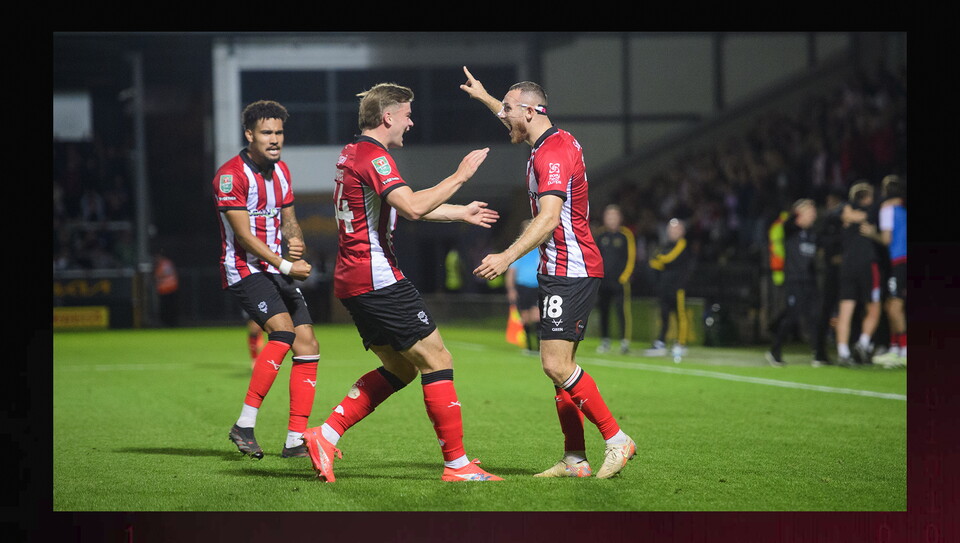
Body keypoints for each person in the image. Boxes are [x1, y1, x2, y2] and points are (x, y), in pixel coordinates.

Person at [301, 82, 503, 483]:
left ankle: (324, 434)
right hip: (377, 278)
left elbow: (400, 207)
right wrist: (460, 176)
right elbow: (410, 206)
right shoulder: (374, 158)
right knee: (438, 360)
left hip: (354, 279)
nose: (411, 123)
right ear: (388, 117)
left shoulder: (353, 152)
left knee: (400, 368)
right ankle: (457, 464)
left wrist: (457, 212)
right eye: (407, 115)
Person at [461, 66, 636, 480]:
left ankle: (617, 439)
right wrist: (486, 96)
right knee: (561, 374)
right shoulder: (546, 142)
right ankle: (575, 458)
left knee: (556, 366)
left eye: (507, 110)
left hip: (571, 269)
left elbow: (549, 218)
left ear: (531, 111)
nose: (502, 117)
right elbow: (511, 114)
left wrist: (505, 256)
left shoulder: (553, 152)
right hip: (561, 267)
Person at [214, 100, 320, 460]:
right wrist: (288, 267)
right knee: (284, 332)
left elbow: (288, 217)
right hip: (246, 270)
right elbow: (243, 236)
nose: (275, 140)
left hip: (276, 267)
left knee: (307, 344)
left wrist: (296, 240)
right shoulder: (231, 175)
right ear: (249, 135)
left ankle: (294, 440)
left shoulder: (282, 171)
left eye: (279, 132)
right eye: (266, 133)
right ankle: (244, 424)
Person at [764, 199, 828, 366]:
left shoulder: (813, 233)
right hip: (794, 279)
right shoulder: (790, 229)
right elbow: (788, 219)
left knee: (815, 316)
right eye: (809, 213)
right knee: (791, 316)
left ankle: (819, 354)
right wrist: (799, 210)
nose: (813, 216)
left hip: (810, 280)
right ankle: (775, 351)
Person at [835, 181, 881, 366]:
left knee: (845, 310)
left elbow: (844, 214)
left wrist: (849, 214)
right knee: (874, 307)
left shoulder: (844, 213)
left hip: (847, 266)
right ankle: (862, 344)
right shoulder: (873, 214)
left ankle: (843, 352)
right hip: (867, 265)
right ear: (869, 197)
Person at [644, 218, 695, 361]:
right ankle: (661, 341)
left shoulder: (682, 244)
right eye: (671, 229)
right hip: (664, 286)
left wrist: (658, 259)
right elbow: (653, 264)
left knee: (680, 315)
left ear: (682, 231)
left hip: (678, 287)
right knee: (664, 315)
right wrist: (657, 261)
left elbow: (668, 259)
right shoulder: (665, 245)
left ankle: (681, 343)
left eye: (677, 229)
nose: (673, 231)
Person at [872, 175, 907, 368]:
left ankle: (904, 350)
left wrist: (871, 233)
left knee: (894, 307)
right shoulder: (904, 207)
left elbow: (886, 239)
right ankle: (895, 349)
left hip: (900, 260)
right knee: (890, 305)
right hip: (902, 261)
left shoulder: (887, 208)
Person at [595, 204, 636, 355]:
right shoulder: (600, 235)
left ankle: (625, 341)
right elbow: (594, 257)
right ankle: (605, 340)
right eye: (608, 216)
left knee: (622, 311)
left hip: (620, 282)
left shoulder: (626, 235)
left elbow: (631, 258)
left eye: (614, 216)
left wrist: (625, 276)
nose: (611, 219)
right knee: (604, 311)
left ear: (620, 218)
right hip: (603, 281)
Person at [505, 219, 541, 354]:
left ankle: (539, 347)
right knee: (525, 317)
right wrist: (511, 289)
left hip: (537, 287)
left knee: (537, 316)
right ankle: (529, 346)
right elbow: (511, 271)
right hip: (523, 287)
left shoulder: (542, 248)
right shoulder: (518, 249)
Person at [153, 249, 180, 327]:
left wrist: (158, 278)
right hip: (163, 290)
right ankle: (166, 323)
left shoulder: (165, 263)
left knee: (169, 308)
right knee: (165, 308)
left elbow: (166, 274)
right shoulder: (159, 264)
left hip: (169, 289)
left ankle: (171, 324)